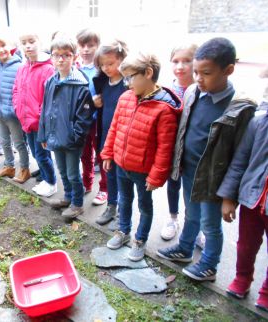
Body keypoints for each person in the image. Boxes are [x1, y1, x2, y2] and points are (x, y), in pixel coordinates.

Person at [157, 38, 256, 281]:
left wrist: (230, 195)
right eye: (196, 72)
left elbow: (240, 156)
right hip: (190, 169)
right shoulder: (193, 92)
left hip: (214, 180)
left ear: (228, 70)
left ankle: (210, 264)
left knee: (210, 225)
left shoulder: (239, 108)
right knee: (191, 214)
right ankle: (185, 248)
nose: (198, 78)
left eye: (206, 73)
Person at [101, 52, 182, 261]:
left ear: (148, 73)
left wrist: (156, 177)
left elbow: (165, 148)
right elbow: (114, 128)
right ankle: (123, 231)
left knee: (145, 206)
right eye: (125, 78)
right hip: (121, 164)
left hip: (143, 171)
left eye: (130, 77)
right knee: (125, 200)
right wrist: (108, 153)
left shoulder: (164, 109)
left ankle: (140, 239)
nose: (127, 84)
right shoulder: (125, 98)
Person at [217, 109, 267, 311]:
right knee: (246, 245)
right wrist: (229, 197)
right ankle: (242, 278)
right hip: (252, 198)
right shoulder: (258, 123)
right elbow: (240, 162)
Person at [38, 36, 94, 218]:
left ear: (74, 57)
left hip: (71, 140)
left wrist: (75, 138)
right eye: (56, 55)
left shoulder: (81, 85)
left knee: (72, 173)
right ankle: (68, 197)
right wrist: (43, 135)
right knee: (62, 170)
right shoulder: (50, 82)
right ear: (51, 58)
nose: (61, 59)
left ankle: (77, 204)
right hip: (54, 136)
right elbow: (45, 110)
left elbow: (84, 118)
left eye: (66, 55)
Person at [160, 42, 205, 248]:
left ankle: (195, 226)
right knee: (173, 184)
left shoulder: (202, 90)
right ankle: (173, 218)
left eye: (187, 61)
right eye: (176, 61)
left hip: (193, 151)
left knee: (193, 190)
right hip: (171, 148)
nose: (180, 66)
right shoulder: (167, 90)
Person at [13, 31, 57, 197]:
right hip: (26, 120)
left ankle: (51, 183)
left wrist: (39, 115)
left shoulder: (47, 69)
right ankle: (45, 179)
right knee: (35, 152)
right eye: (24, 42)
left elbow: (50, 98)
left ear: (39, 42)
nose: (28, 45)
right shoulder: (23, 68)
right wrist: (18, 107)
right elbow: (16, 90)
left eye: (32, 41)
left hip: (40, 122)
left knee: (42, 154)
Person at [0, 30, 30, 183]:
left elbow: (23, 93)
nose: (0, 49)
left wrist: (18, 111)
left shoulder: (19, 67)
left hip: (13, 115)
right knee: (4, 142)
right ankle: (9, 167)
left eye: (3, 45)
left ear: (10, 46)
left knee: (19, 143)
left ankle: (24, 169)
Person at [91, 39, 128, 227]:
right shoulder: (102, 82)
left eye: (110, 63)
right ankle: (111, 205)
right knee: (109, 174)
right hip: (106, 136)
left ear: (122, 59)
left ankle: (123, 210)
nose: (106, 68)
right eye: (102, 64)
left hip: (124, 140)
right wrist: (94, 102)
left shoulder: (129, 84)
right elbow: (94, 106)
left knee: (123, 177)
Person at [75, 28, 100, 199]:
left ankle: (104, 189)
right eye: (82, 45)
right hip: (81, 120)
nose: (86, 49)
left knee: (101, 153)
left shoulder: (101, 69)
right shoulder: (74, 68)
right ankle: (87, 183)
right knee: (85, 155)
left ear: (97, 46)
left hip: (98, 119)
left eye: (90, 45)